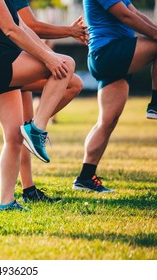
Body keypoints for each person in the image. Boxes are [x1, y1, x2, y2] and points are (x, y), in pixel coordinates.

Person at [0, 0, 75, 210]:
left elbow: (23, 27)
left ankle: (6, 202)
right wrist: (49, 59)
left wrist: (49, 55)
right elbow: (11, 30)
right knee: (67, 64)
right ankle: (37, 128)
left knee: (13, 137)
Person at [72, 0, 157, 193]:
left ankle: (85, 178)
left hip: (112, 54)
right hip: (109, 53)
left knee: (107, 121)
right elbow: (125, 16)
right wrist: (155, 34)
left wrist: (155, 30)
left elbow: (135, 13)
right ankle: (156, 103)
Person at [13, 0, 87, 202]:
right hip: (11, 62)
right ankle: (35, 128)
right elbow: (31, 26)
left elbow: (27, 28)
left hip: (18, 59)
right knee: (70, 78)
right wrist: (69, 32)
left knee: (73, 83)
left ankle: (29, 191)